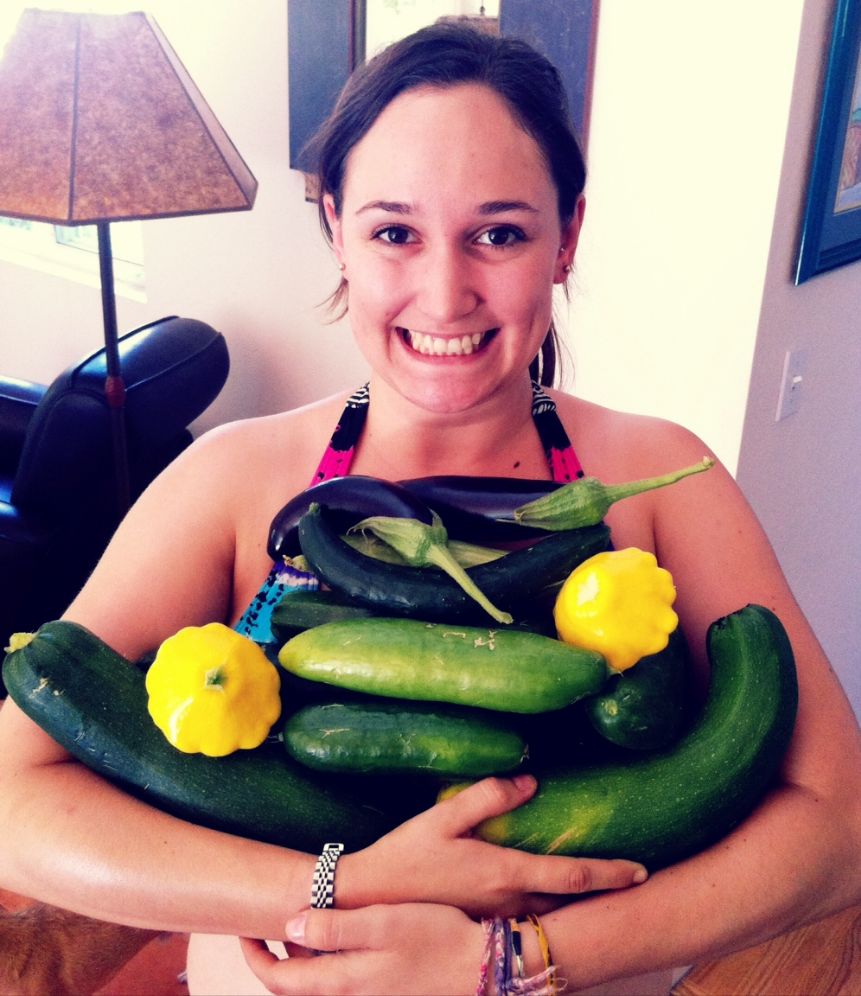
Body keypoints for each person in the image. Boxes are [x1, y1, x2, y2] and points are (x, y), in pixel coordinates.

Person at [1, 22, 860, 996]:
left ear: (566, 237)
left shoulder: (662, 476)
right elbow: (11, 801)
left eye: (499, 232)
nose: (446, 294)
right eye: (394, 232)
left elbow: (838, 827)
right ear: (336, 230)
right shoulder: (233, 482)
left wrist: (508, 961)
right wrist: (339, 885)